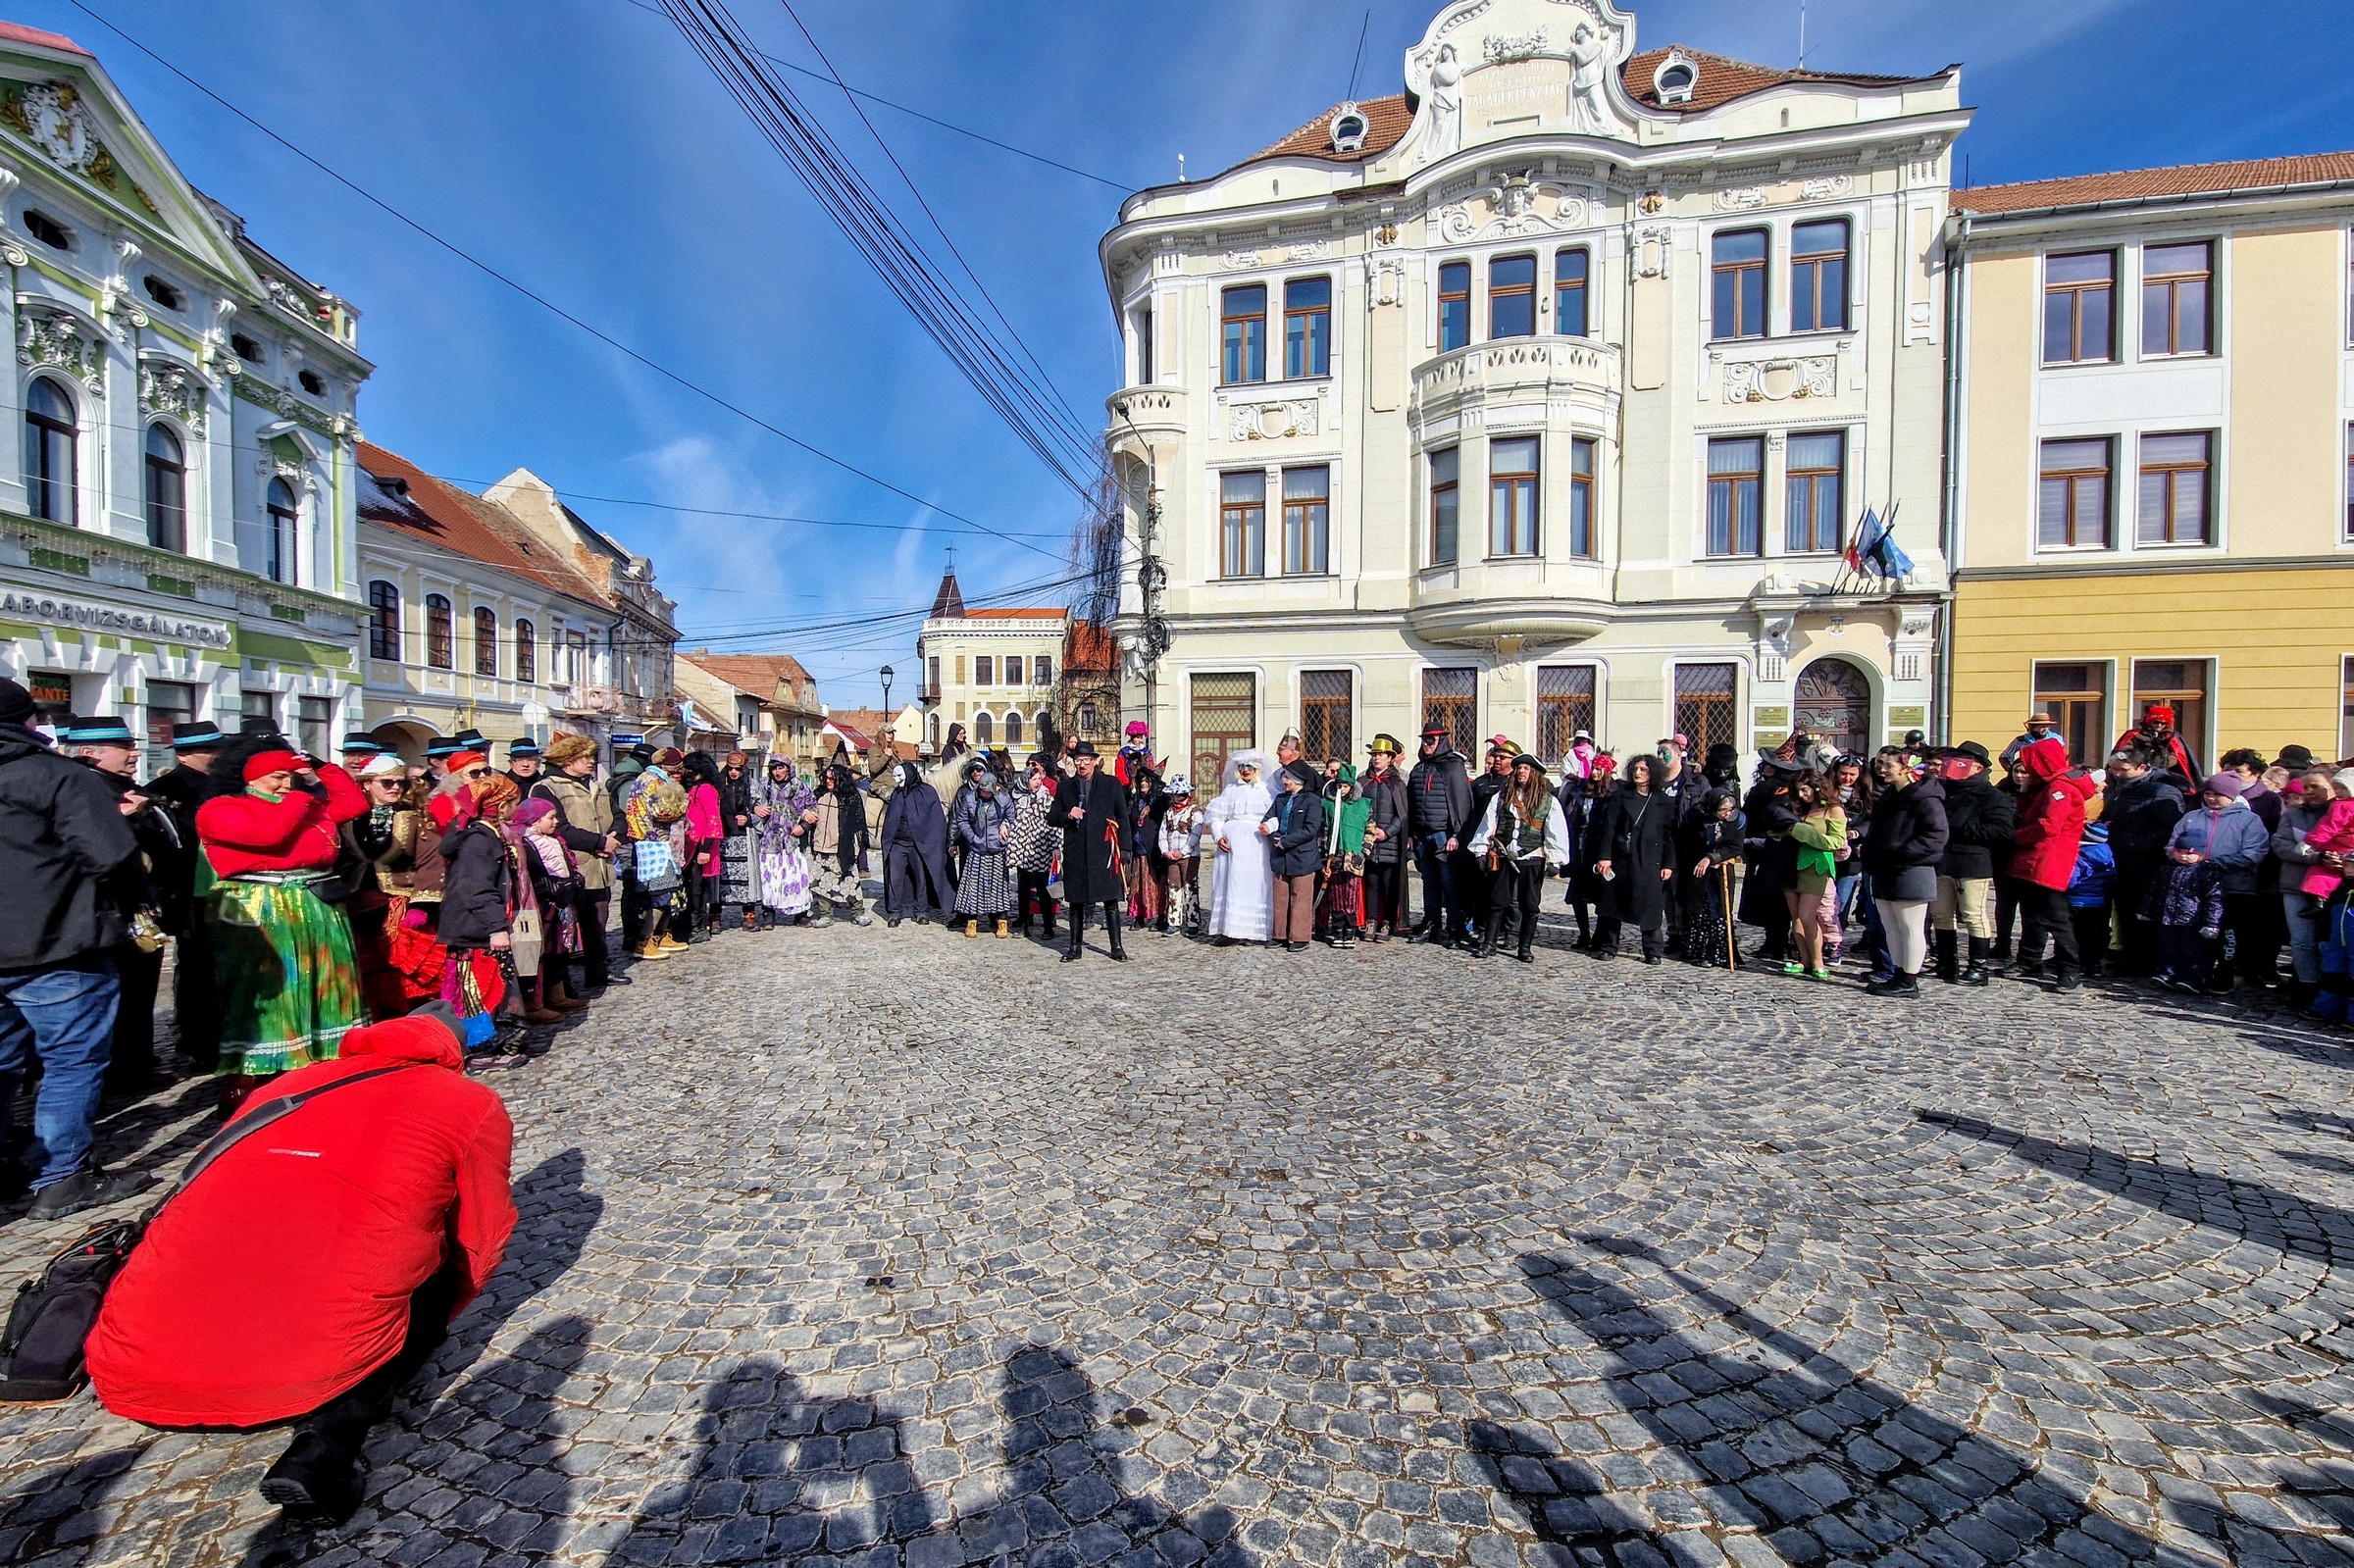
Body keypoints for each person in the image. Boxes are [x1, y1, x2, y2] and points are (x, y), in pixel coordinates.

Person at [85, 1004, 516, 1526]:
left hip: (131, 1372)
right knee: (423, 1270)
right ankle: (328, 1444)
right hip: (301, 1370)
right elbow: (481, 1236)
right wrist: (440, 1312)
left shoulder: (279, 1091)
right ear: (455, 1054)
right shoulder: (467, 1100)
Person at [0, 681, 151, 1219]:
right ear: (28, 724)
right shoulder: (57, 775)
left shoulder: (55, 774)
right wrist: (136, 901)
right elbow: (112, 856)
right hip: (57, 944)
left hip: (38, 942)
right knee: (71, 1062)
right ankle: (62, 1178)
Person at [197, 747, 371, 1107]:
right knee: (269, 987)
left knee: (323, 980)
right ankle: (250, 1073)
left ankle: (323, 1059)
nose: (285, 784)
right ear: (250, 778)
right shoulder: (222, 809)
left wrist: (322, 768)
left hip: (315, 901)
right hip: (261, 906)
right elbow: (269, 835)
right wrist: (297, 798)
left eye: (290, 776)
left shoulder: (305, 806)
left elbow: (353, 804)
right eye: (277, 776)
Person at [62, 716, 176, 1095]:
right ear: (90, 753)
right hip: (109, 910)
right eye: (123, 747)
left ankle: (136, 1063)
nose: (134, 753)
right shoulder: (86, 791)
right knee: (119, 996)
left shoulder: (127, 787)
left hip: (141, 907)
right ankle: (121, 1072)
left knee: (139, 993)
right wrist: (123, 820)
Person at [146, 720, 228, 1073]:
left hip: (224, 885)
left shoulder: (225, 784)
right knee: (196, 968)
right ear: (185, 754)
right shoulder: (165, 788)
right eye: (210, 750)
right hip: (189, 890)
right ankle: (197, 1038)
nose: (217, 755)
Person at [435, 774, 530, 1050]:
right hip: (474, 928)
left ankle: (493, 1042)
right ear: (501, 807)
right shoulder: (479, 839)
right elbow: (474, 887)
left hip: (479, 926)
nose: (516, 809)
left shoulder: (488, 833)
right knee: (476, 991)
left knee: (491, 986)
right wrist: (496, 926)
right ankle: (480, 1047)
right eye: (514, 803)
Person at [528, 734, 619, 993]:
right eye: (585, 757)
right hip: (567, 869)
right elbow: (560, 829)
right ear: (568, 760)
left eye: (592, 756)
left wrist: (614, 838)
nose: (591, 762)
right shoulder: (548, 787)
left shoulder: (597, 787)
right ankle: (561, 986)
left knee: (597, 923)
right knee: (562, 929)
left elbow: (618, 816)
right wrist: (599, 842)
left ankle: (598, 974)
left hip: (599, 868)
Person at [2006, 735, 2098, 991]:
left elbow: (2048, 825)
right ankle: (2029, 960)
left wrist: (2015, 836)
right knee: (2032, 914)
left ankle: (2070, 968)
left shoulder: (2061, 789)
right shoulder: (2047, 787)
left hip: (2048, 860)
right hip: (2034, 859)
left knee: (2057, 917)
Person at [1860, 748, 1950, 997]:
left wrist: (1899, 853)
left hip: (1911, 870)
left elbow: (1935, 836)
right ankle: (1897, 974)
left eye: (1888, 765)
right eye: (1879, 764)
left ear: (1906, 768)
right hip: (1884, 869)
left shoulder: (1926, 798)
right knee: (1891, 926)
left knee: (1910, 926)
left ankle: (1909, 979)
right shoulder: (1889, 795)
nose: (1882, 769)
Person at [1467, 752, 1570, 963]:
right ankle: (1489, 944)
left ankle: (1524, 947)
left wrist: (1555, 860)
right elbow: (1489, 824)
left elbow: (1556, 831)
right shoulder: (1502, 797)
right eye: (1519, 768)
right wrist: (1480, 849)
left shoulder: (1547, 802)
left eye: (1526, 768)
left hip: (1532, 859)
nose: (1522, 771)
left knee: (1529, 905)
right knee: (1496, 902)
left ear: (1535, 774)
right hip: (1505, 857)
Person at [2099, 744, 2188, 977]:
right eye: (2113, 769)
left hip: (2145, 864)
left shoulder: (2161, 791)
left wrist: (2135, 844)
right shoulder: (2118, 787)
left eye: (2122, 770)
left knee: (2143, 914)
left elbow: (2169, 829)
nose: (2116, 774)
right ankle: (2128, 957)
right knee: (2125, 914)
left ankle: (2145, 961)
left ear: (2141, 767)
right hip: (2118, 859)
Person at [1931, 741, 2017, 987]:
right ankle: (1947, 962)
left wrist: (1961, 827)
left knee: (1973, 915)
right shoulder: (1944, 790)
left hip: (1971, 863)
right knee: (1941, 914)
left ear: (1977, 768)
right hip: (1942, 861)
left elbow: (2002, 831)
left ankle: (1978, 968)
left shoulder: (1991, 796)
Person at [1049, 741, 1134, 961]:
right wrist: (1068, 813)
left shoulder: (1111, 784)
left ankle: (1116, 946)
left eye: (1087, 760)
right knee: (1075, 901)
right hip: (1076, 851)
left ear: (1095, 762)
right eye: (1078, 761)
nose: (1082, 765)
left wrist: (1125, 848)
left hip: (1104, 850)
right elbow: (1052, 817)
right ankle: (1074, 947)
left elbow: (1122, 817)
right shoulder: (1066, 787)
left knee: (1110, 900)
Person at [1592, 753, 1679, 963]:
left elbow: (1669, 836)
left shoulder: (1663, 801)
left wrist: (1668, 863)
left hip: (1650, 860)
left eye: (1644, 770)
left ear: (1653, 773)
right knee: (1613, 904)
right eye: (1636, 769)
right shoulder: (1620, 797)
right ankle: (1608, 946)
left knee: (1651, 906)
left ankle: (1653, 950)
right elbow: (1608, 829)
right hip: (1621, 858)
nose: (1638, 773)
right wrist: (1604, 856)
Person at [512, 798, 588, 1019]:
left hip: (562, 902)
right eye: (551, 817)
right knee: (537, 954)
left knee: (558, 950)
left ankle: (557, 994)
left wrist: (573, 880)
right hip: (543, 903)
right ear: (535, 820)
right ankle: (533, 1004)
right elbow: (532, 874)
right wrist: (552, 887)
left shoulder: (554, 840)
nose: (556, 822)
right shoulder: (526, 842)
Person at [2274, 770, 2338, 1008]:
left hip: (2337, 887)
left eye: (2315, 787)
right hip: (2296, 885)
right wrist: (2317, 858)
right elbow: (2281, 846)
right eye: (2306, 787)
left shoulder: (2345, 814)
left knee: (2331, 942)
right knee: (2302, 941)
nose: (2309, 792)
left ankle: (2332, 990)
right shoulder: (2293, 816)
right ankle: (2306, 985)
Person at [1407, 727, 1473, 946]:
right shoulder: (1419, 768)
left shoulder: (1453, 767)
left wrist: (1457, 834)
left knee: (1449, 882)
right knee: (1429, 881)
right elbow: (1411, 804)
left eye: (1431, 740)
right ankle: (1431, 923)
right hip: (1422, 835)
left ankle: (1455, 926)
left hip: (1445, 835)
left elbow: (1462, 802)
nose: (1427, 744)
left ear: (1441, 741)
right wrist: (1410, 834)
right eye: (1425, 740)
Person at [1204, 751, 1275, 946]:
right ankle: (1230, 930)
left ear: (1257, 770)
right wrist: (1219, 836)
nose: (1246, 771)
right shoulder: (1230, 790)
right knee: (1231, 884)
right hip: (1232, 845)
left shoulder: (1267, 791)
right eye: (1242, 768)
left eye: (1250, 768)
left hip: (1257, 844)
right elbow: (1216, 816)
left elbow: (1276, 815)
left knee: (1254, 885)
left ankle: (1254, 931)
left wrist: (1269, 827)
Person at [1783, 772, 1847, 981]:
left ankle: (1819, 960)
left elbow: (1837, 841)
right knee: (1796, 916)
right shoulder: (1800, 808)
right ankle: (1805, 959)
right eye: (1798, 790)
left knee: (1807, 915)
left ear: (1817, 787)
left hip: (1816, 864)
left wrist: (1805, 833)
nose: (1801, 795)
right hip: (1792, 863)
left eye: (1805, 789)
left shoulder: (1834, 810)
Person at [1259, 762, 1325, 953]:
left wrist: (1286, 841)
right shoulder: (1280, 800)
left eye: (1287, 778)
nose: (1284, 781)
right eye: (1283, 777)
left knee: (1300, 898)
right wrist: (1270, 831)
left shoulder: (1311, 801)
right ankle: (1279, 934)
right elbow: (1269, 819)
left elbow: (1311, 829)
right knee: (1280, 898)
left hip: (1302, 857)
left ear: (1298, 781)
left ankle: (1299, 936)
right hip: (1281, 857)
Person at [878, 761, 954, 928]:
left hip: (919, 844)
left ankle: (921, 911)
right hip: (898, 844)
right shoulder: (897, 794)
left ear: (909, 774)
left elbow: (936, 819)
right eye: (895, 776)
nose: (897, 780)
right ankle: (895, 912)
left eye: (900, 776)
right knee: (895, 879)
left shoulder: (926, 792)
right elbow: (890, 820)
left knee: (921, 878)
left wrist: (934, 841)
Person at [748, 755, 815, 928]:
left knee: (795, 877)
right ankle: (768, 915)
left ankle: (800, 915)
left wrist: (804, 826)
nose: (777, 772)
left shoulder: (799, 787)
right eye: (774, 769)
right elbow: (747, 802)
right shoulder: (763, 786)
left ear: (788, 768)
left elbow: (813, 808)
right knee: (769, 879)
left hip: (792, 841)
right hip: (769, 841)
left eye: (781, 768)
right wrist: (755, 808)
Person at [951, 768, 1015, 936]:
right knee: (972, 888)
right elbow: (962, 820)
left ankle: (1001, 922)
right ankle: (971, 922)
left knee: (998, 888)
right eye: (983, 791)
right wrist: (972, 837)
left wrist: (1006, 826)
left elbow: (1013, 817)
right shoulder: (970, 798)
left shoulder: (1003, 799)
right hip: (977, 849)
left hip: (997, 849)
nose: (985, 794)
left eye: (988, 792)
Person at [807, 762, 873, 927]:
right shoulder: (819, 795)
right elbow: (809, 811)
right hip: (821, 847)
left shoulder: (850, 797)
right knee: (821, 884)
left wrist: (857, 848)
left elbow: (858, 825)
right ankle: (825, 915)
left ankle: (858, 913)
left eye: (832, 778)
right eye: (827, 778)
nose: (828, 781)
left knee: (850, 882)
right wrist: (807, 814)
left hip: (842, 848)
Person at [1685, 789, 1744, 971]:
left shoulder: (1738, 820)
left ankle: (1723, 953)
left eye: (1730, 809)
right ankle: (1702, 952)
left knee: (1721, 910)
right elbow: (1688, 844)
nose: (1727, 814)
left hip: (1723, 869)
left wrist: (1715, 857)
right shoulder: (1696, 817)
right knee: (1702, 910)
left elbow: (1735, 846)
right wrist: (1705, 858)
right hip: (1699, 869)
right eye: (1722, 810)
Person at [1315, 765, 1373, 949]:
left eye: (1346, 786)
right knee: (1336, 895)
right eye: (1340, 785)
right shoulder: (1328, 805)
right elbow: (1323, 831)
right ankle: (1338, 930)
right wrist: (1325, 857)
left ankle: (1350, 931)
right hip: (1334, 857)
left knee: (1351, 895)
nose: (1342, 789)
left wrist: (1364, 852)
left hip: (1353, 856)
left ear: (1352, 787)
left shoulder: (1363, 805)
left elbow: (1369, 831)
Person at [1358, 736, 1409, 941]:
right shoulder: (1363, 783)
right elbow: (1357, 811)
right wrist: (1368, 832)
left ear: (1390, 758)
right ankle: (1370, 921)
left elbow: (1403, 814)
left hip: (1390, 843)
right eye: (1374, 755)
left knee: (1389, 885)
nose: (1376, 758)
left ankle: (1387, 924)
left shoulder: (1397, 784)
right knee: (1370, 883)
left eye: (1380, 755)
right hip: (1368, 843)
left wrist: (1387, 832)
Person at [1006, 758, 1060, 939]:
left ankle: (1047, 926)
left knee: (1043, 889)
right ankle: (1023, 923)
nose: (1037, 782)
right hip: (1022, 849)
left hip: (1040, 848)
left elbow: (1053, 824)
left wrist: (1055, 846)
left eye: (1039, 779)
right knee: (1023, 889)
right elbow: (1009, 818)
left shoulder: (1046, 798)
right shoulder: (1016, 798)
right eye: (1034, 779)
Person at [2069, 821, 2116, 979]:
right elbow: (2112, 876)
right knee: (2097, 932)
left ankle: (2078, 962)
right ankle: (2094, 964)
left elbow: (2073, 879)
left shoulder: (2080, 854)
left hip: (2078, 900)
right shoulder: (2107, 852)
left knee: (2077, 933)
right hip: (2099, 901)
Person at [1157, 775, 1204, 936]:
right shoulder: (1168, 813)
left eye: (1179, 795)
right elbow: (1163, 834)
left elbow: (1195, 835)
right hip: (1172, 857)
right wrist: (1165, 851)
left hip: (1189, 857)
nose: (1176, 798)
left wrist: (1182, 852)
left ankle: (1193, 921)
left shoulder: (1194, 812)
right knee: (1173, 888)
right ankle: (1173, 922)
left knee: (1190, 888)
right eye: (1174, 795)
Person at [2116, 703, 2199, 784]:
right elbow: (2124, 752)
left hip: (2163, 775)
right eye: (2156, 722)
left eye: (2163, 723)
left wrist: (2166, 760)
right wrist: (2140, 760)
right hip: (2137, 773)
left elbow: (2179, 757)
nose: (2159, 725)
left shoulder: (2172, 737)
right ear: (2150, 721)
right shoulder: (2135, 734)